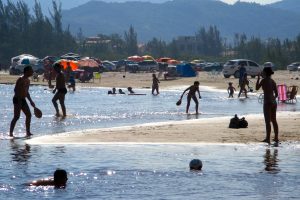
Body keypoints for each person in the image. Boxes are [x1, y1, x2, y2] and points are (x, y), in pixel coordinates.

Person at [9, 66, 36, 137]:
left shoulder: (28, 80)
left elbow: (27, 92)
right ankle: (11, 133)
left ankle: (28, 132)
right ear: (27, 71)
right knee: (16, 117)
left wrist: (31, 101)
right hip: (17, 99)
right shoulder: (20, 79)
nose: (32, 72)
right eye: (31, 71)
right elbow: (15, 90)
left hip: (23, 99)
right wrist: (19, 100)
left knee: (29, 115)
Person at [256, 67, 279, 144]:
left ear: (265, 73)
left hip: (267, 102)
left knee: (267, 121)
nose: (262, 73)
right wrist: (272, 99)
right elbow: (276, 94)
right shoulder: (273, 81)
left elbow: (256, 88)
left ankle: (268, 139)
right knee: (274, 120)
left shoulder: (263, 80)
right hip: (273, 102)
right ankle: (276, 138)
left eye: (263, 72)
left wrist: (258, 78)